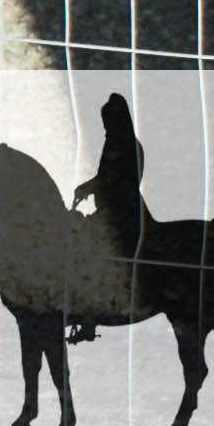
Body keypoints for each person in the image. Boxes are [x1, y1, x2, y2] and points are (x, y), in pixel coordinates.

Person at [68, 92, 144, 344]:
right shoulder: (124, 142)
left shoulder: (119, 144)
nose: (105, 126)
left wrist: (89, 188)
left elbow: (112, 179)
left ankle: (88, 313)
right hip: (119, 208)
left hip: (119, 213)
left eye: (107, 121)